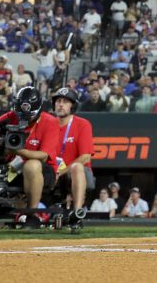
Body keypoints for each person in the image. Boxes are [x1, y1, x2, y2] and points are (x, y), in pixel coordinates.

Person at [0, 87, 60, 220]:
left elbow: (43, 155)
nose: (23, 118)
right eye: (20, 113)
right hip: (10, 170)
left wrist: (18, 151)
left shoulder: (50, 121)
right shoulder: (11, 116)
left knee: (31, 165)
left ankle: (31, 214)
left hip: (42, 172)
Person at [51, 87, 94, 220]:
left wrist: (60, 172)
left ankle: (77, 212)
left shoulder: (82, 124)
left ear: (73, 106)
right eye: (58, 101)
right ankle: (27, 214)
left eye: (65, 102)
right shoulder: (48, 124)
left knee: (77, 167)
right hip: (53, 172)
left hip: (76, 173)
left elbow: (85, 156)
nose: (61, 104)